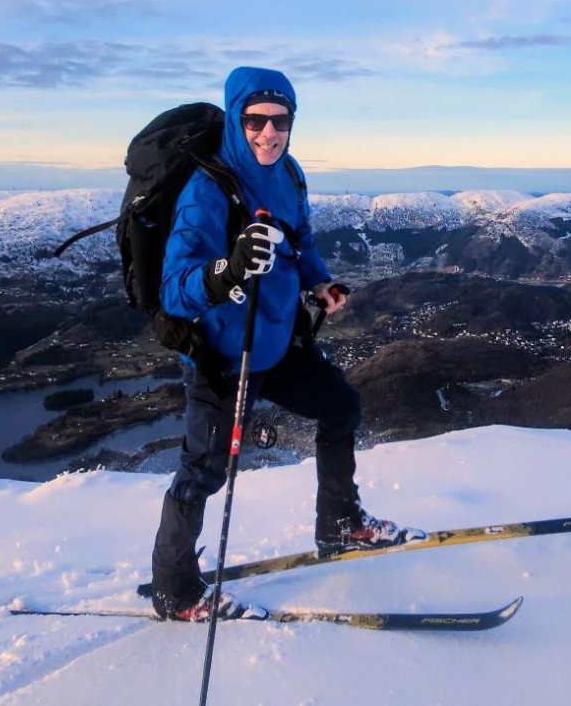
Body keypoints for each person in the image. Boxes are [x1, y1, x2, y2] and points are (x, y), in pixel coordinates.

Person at [149, 66, 421, 621]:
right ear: (236, 119)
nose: (269, 133)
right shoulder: (207, 192)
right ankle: (174, 590)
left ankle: (340, 524)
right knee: (203, 471)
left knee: (341, 406)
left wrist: (319, 283)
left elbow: (302, 241)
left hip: (274, 342)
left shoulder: (289, 174)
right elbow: (173, 292)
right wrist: (226, 272)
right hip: (224, 357)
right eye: (255, 120)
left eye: (280, 120)